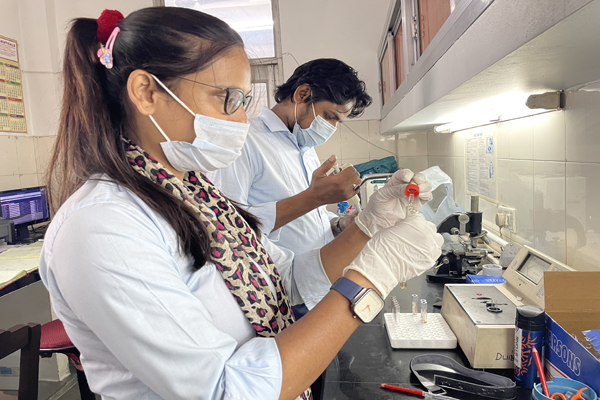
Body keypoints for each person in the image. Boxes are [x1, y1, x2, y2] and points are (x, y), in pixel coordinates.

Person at [39, 7, 442, 400]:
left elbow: (286, 279)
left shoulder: (197, 194)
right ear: (147, 93)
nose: (241, 121)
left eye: (243, 101)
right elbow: (226, 389)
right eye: (226, 99)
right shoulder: (103, 227)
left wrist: (368, 227)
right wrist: (370, 280)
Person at [209, 59, 372, 256]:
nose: (332, 128)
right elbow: (225, 224)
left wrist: (340, 224)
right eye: (329, 116)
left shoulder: (305, 147)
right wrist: (315, 197)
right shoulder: (244, 141)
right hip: (273, 273)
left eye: (338, 122)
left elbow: (308, 221)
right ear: (302, 94)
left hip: (314, 271)